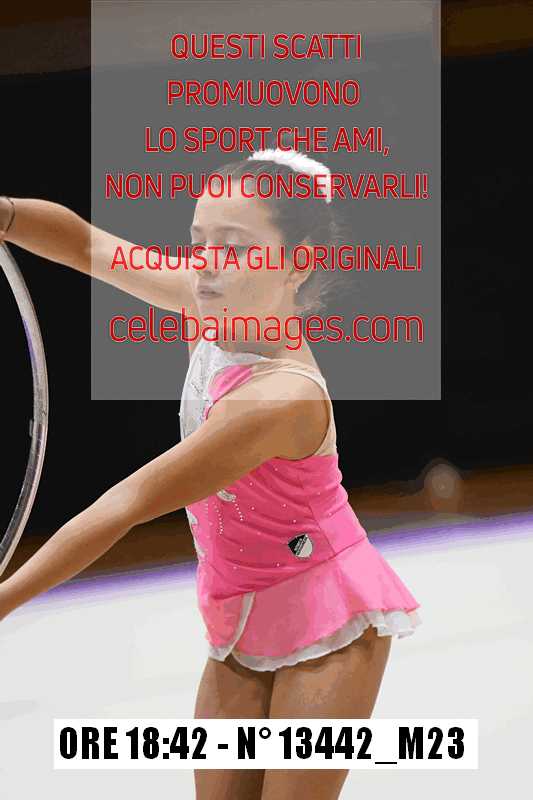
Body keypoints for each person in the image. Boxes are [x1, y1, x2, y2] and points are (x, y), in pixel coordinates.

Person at [0, 149, 421, 800]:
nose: (206, 264)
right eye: (199, 242)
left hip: (327, 614)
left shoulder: (279, 396)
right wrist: (5, 216)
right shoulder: (206, 300)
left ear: (298, 262)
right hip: (239, 612)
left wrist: (4, 599)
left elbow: (127, 502)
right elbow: (85, 244)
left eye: (234, 247)